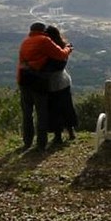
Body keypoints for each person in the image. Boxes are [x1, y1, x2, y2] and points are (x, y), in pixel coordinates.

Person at [17, 22, 72, 151]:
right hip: (38, 81)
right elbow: (61, 55)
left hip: (23, 80)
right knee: (41, 113)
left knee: (27, 113)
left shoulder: (25, 42)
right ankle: (41, 143)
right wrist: (68, 48)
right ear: (43, 31)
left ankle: (27, 141)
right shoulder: (44, 40)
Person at [44, 25, 78, 145]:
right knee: (67, 106)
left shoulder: (48, 50)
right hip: (64, 81)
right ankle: (71, 132)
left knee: (54, 109)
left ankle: (57, 135)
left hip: (53, 83)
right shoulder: (62, 47)